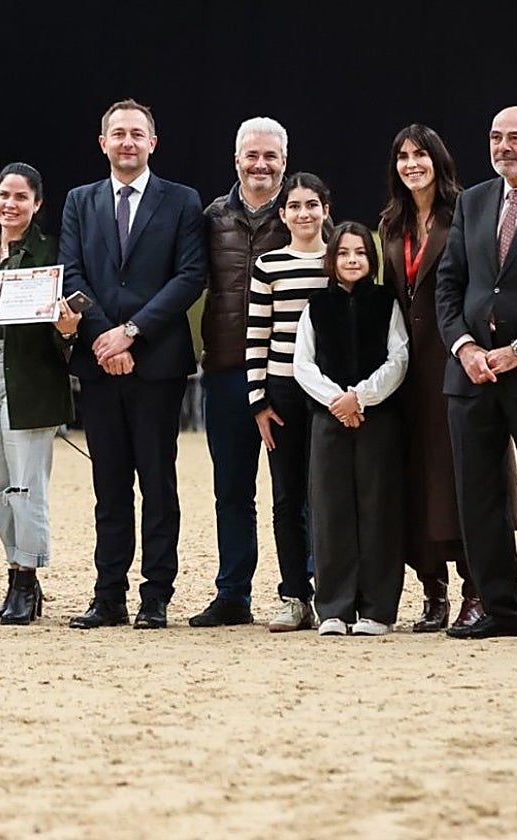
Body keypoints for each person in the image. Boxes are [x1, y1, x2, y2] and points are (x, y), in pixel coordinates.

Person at [59, 98, 208, 630]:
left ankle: (156, 596)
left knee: (159, 485)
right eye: (117, 133)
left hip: (157, 364)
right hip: (100, 362)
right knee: (109, 487)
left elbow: (190, 276)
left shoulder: (183, 201)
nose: (127, 141)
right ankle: (108, 596)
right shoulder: (79, 201)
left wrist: (131, 333)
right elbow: (72, 274)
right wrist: (103, 337)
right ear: (103, 143)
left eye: (136, 133)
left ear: (152, 143)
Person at [437, 105, 517, 641]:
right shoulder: (473, 202)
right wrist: (464, 348)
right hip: (472, 376)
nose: (504, 146)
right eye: (496, 137)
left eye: (516, 138)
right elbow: (449, 285)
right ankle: (501, 609)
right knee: (477, 499)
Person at [378, 124, 487, 631]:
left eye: (420, 154)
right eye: (403, 156)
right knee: (416, 480)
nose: (411, 163)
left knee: (461, 478)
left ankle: (477, 589)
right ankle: (432, 592)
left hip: (454, 361)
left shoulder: (465, 211)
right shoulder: (390, 223)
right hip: (406, 371)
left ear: (438, 160)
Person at [0, 162, 78, 625]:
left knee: (25, 484)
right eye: (4, 196)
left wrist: (67, 331)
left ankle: (26, 581)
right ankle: (15, 573)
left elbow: (59, 330)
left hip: (28, 373)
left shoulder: (51, 252)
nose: (10, 205)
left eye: (21, 197)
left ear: (38, 203)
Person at [189, 116, 292, 628]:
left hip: (287, 375)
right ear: (236, 161)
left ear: (284, 163)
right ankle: (233, 594)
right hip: (227, 372)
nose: (260, 164)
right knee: (231, 492)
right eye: (252, 155)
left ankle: (301, 589)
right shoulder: (210, 218)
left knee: (293, 492)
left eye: (270, 156)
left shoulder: (302, 214)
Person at [294, 222, 409, 636]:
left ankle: (377, 610)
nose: (352, 260)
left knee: (379, 511)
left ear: (371, 258)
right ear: (332, 259)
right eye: (343, 253)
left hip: (378, 420)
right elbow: (302, 364)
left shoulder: (386, 302)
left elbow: (399, 358)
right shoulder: (317, 306)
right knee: (331, 512)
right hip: (328, 421)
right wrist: (337, 401)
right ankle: (334, 609)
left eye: (360, 252)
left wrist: (361, 397)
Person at [247, 172, 332, 632]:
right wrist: (258, 401)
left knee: (330, 495)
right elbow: (257, 335)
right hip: (282, 392)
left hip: (329, 393)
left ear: (325, 210)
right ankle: (296, 595)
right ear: (283, 214)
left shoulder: (341, 261)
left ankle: (335, 595)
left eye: (312, 205)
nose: (304, 213)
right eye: (295, 206)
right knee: (287, 497)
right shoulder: (269, 266)